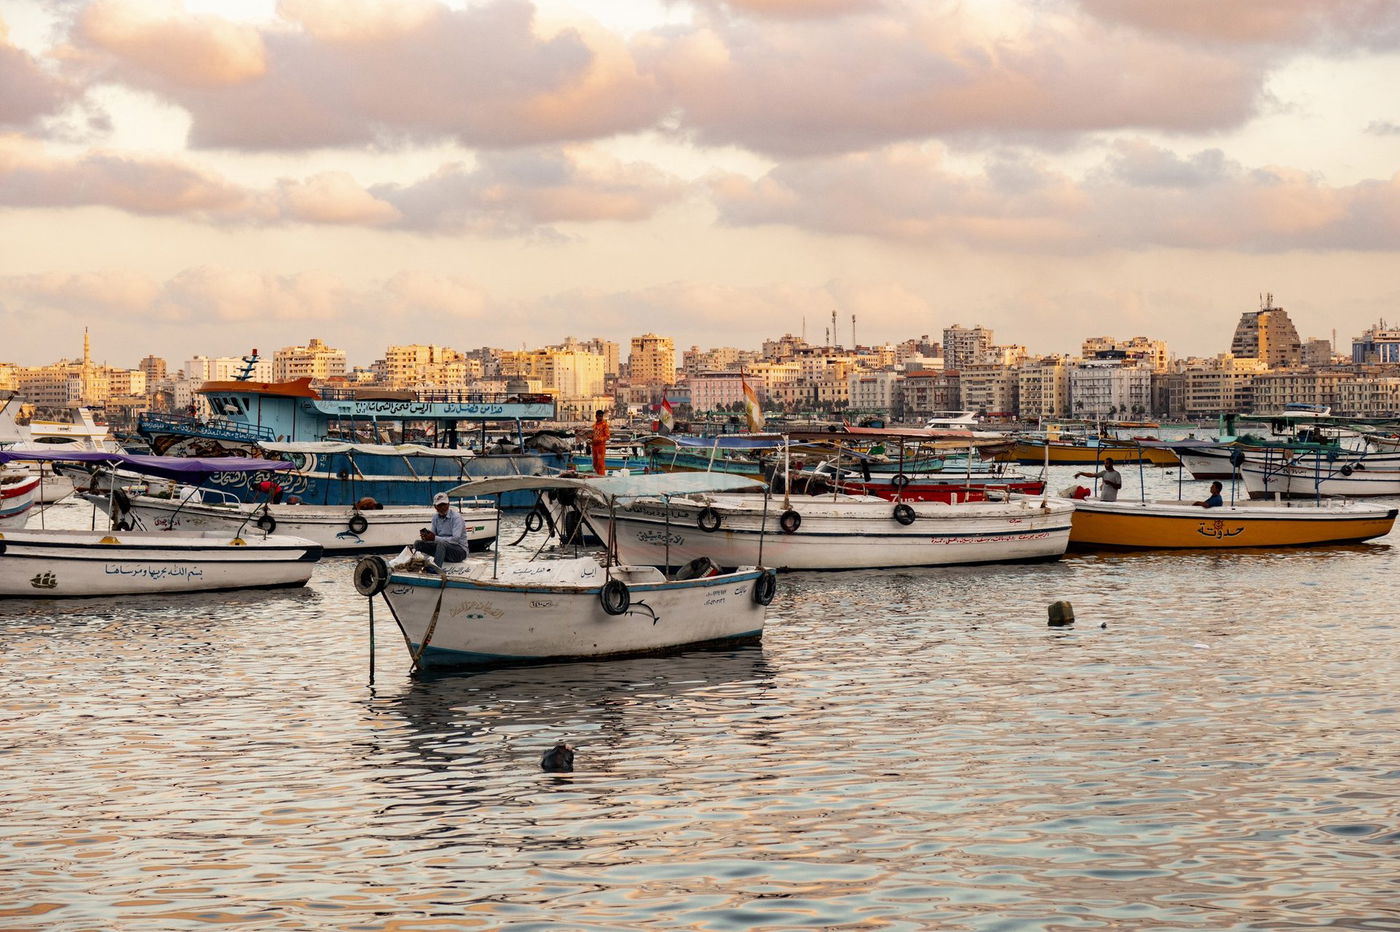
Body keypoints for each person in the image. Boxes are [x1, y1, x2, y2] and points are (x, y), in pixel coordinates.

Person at [414, 491, 468, 573]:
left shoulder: (457, 518)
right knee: (417, 543)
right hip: (442, 549)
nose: (442, 507)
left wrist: (434, 538)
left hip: (459, 551)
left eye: (444, 504)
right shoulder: (435, 518)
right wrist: (426, 538)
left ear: (448, 504)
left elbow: (455, 540)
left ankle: (435, 570)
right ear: (435, 507)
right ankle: (416, 565)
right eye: (440, 505)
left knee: (441, 544)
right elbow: (433, 537)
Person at [590, 409, 611, 475]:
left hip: (600, 446)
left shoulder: (605, 425)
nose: (600, 417)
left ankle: (601, 476)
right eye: (599, 416)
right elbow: (591, 435)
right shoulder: (593, 426)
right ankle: (596, 476)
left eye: (601, 416)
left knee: (600, 463)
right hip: (594, 446)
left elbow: (607, 436)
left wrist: (600, 439)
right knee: (595, 463)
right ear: (596, 416)